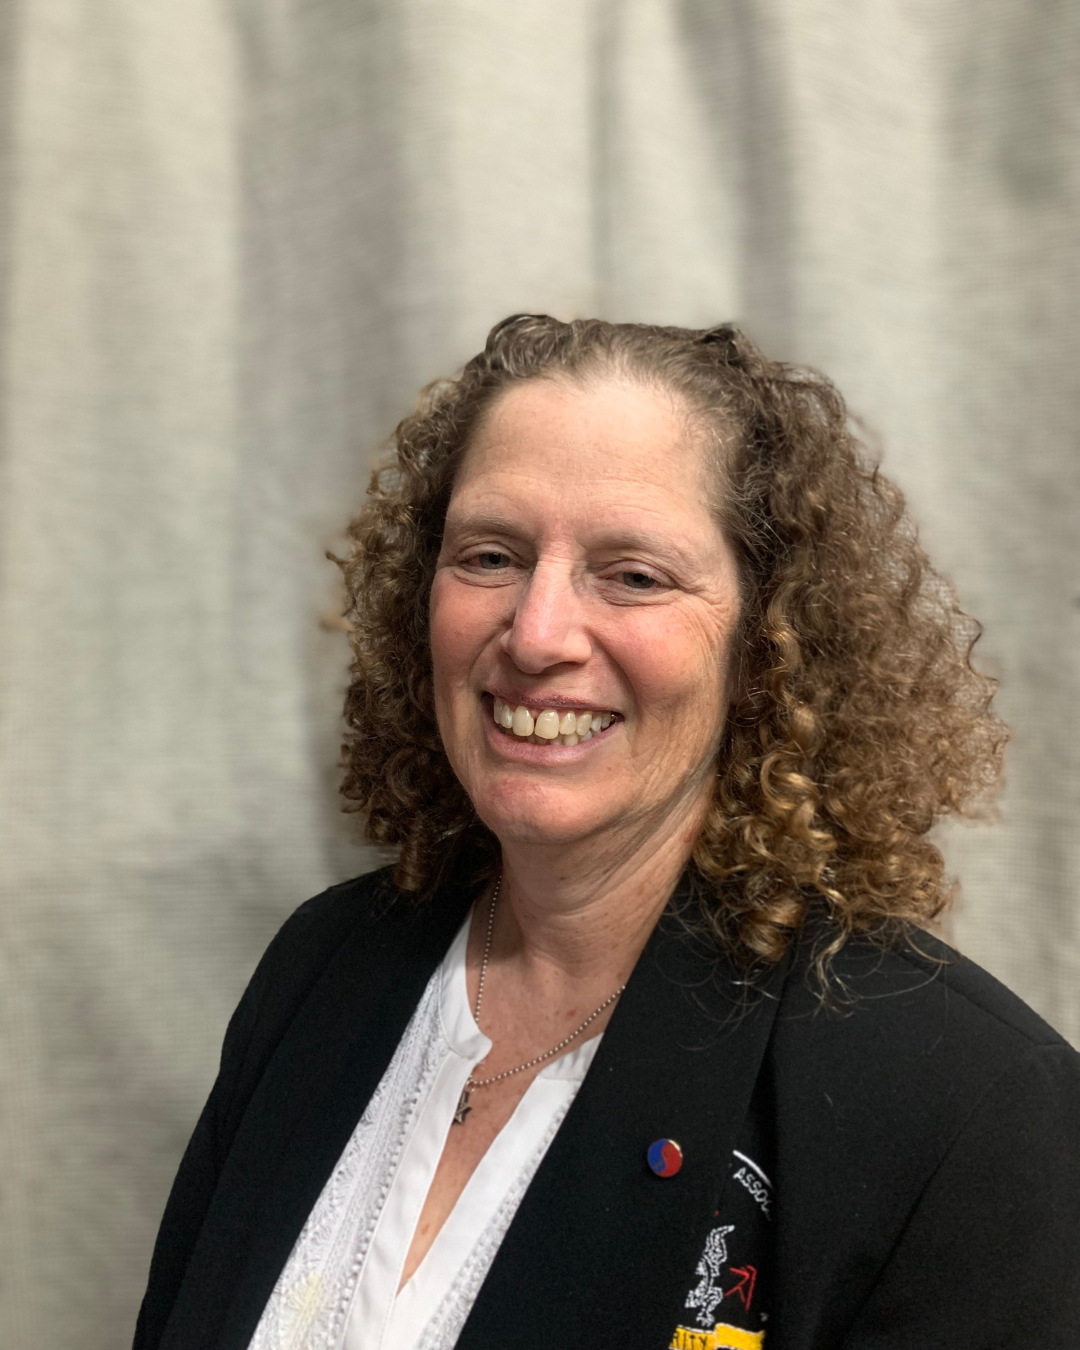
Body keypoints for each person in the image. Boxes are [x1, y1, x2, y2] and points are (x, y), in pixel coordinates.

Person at [133, 316, 1080, 1350]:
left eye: (632, 574)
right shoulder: (323, 970)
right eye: (490, 555)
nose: (537, 635)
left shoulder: (965, 1106)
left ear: (767, 642)